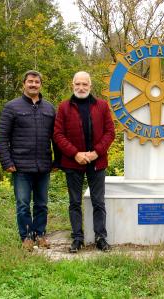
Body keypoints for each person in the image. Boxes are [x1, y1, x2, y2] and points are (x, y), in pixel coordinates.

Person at [54, 71, 115, 253]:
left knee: (98, 202)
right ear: (72, 85)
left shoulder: (102, 106)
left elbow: (110, 132)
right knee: (74, 202)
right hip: (73, 163)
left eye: (84, 84)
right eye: (77, 84)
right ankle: (77, 238)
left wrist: (97, 152)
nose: (81, 87)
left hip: (97, 162)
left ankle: (100, 238)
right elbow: (58, 134)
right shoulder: (64, 107)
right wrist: (75, 154)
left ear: (90, 86)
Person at [0, 70, 57, 251]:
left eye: (36, 82)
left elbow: (56, 137)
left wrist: (57, 161)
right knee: (23, 204)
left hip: (43, 165)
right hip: (21, 166)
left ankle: (40, 235)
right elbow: (2, 137)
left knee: (42, 204)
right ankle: (26, 237)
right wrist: (6, 162)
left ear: (41, 85)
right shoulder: (12, 107)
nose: (33, 85)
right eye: (30, 81)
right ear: (23, 84)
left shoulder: (49, 108)